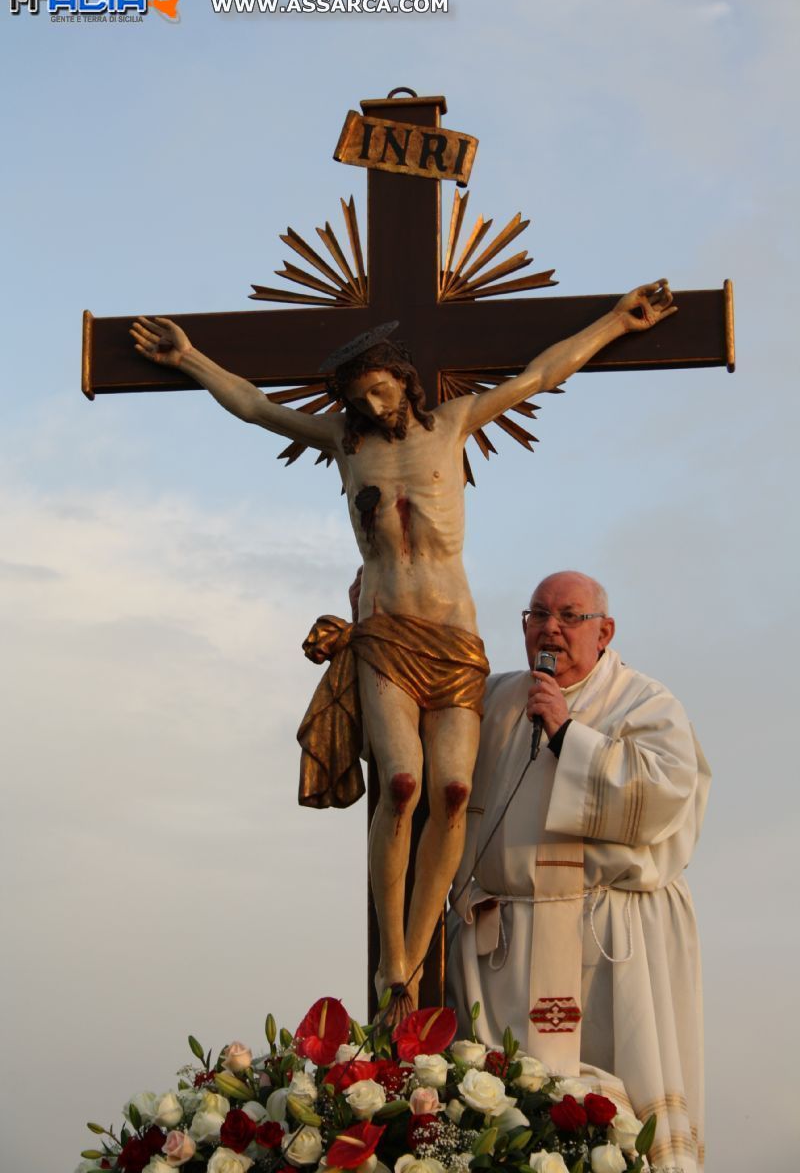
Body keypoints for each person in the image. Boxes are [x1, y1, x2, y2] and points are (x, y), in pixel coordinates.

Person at [130, 284, 677, 1019]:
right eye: (362, 398)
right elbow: (259, 407)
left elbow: (538, 376)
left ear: (405, 383)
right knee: (402, 786)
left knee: (452, 791)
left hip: (453, 640)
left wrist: (616, 321)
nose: (376, 407)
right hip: (386, 635)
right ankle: (395, 961)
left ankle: (415, 955)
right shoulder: (344, 442)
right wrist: (191, 357)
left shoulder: (450, 425)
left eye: (384, 391)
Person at [447, 571, 709, 1173]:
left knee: (609, 1125)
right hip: (498, 950)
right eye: (538, 614)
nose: (551, 629)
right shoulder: (495, 699)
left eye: (569, 616)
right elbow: (427, 744)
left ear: (604, 631)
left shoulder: (644, 701)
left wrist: (568, 735)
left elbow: (664, 795)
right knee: (491, 1124)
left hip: (603, 941)